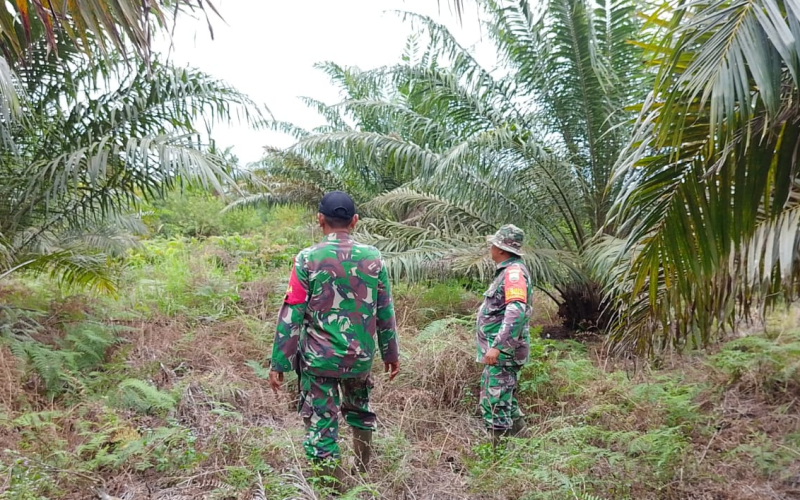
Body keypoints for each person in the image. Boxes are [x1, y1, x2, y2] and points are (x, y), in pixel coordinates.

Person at [268, 190, 400, 485]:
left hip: (319, 361)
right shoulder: (373, 258)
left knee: (320, 421)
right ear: (354, 221)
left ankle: (334, 488)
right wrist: (391, 354)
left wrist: (280, 361)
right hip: (360, 358)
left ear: (319, 220)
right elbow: (384, 310)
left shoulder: (307, 259)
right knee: (360, 411)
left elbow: (293, 314)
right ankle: (362, 474)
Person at [476, 224, 533, 446]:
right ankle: (524, 445)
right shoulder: (509, 272)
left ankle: (497, 456)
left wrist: (498, 346)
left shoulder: (514, 274)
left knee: (495, 401)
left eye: (493, 244)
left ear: (500, 249)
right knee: (504, 397)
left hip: (503, 352)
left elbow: (516, 311)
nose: (490, 248)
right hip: (502, 352)